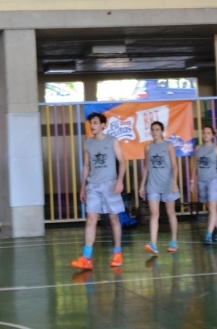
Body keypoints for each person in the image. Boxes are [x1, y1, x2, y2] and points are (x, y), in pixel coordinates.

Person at [71, 112, 126, 271]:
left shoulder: (112, 141)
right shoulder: (87, 143)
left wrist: (120, 181)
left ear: (103, 125)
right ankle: (86, 258)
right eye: (91, 123)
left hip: (110, 185)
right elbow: (86, 166)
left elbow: (122, 162)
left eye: (95, 122)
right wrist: (83, 187)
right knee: (90, 220)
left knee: (113, 219)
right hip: (93, 186)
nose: (92, 125)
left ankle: (117, 253)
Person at [139, 120, 179, 255]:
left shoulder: (169, 146)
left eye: (157, 129)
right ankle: (153, 244)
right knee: (154, 214)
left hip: (168, 184)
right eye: (152, 129)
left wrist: (174, 182)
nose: (154, 132)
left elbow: (174, 166)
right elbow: (147, 168)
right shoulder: (148, 148)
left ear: (162, 131)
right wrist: (142, 185)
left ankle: (174, 241)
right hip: (153, 184)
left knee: (170, 212)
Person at [190, 124, 217, 244]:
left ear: (212, 135)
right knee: (211, 208)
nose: (205, 135)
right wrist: (192, 181)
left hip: (213, 180)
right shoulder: (198, 148)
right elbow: (195, 165)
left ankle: (208, 234)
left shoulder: (216, 148)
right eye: (204, 132)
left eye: (208, 133)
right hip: (201, 180)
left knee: (212, 208)